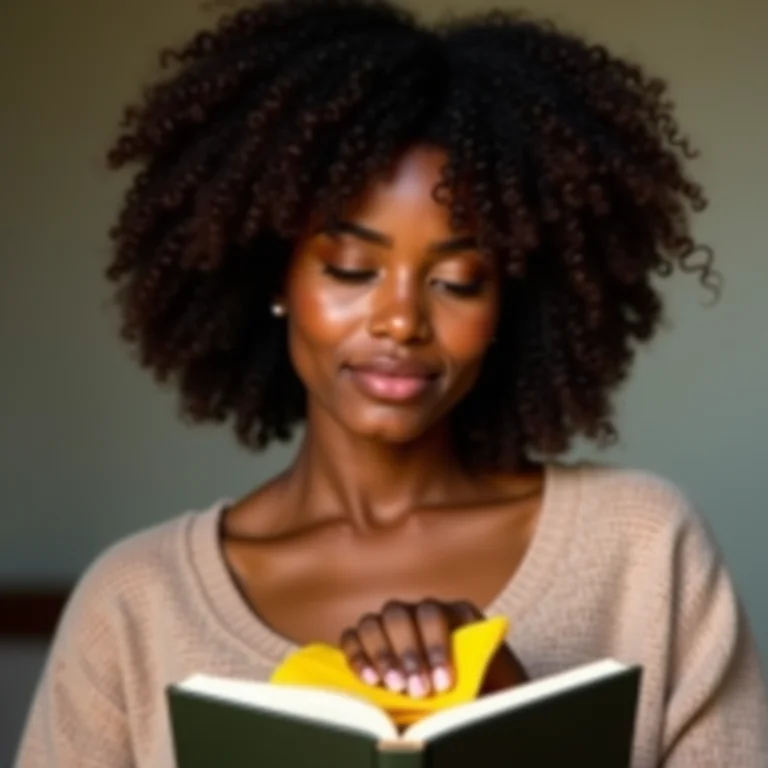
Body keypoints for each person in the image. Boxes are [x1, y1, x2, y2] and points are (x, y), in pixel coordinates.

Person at [14, 0, 768, 765]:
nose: (401, 319)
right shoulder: (136, 603)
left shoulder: (643, 550)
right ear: (276, 276)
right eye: (350, 269)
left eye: (459, 279)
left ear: (509, 301)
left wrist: (514, 714)